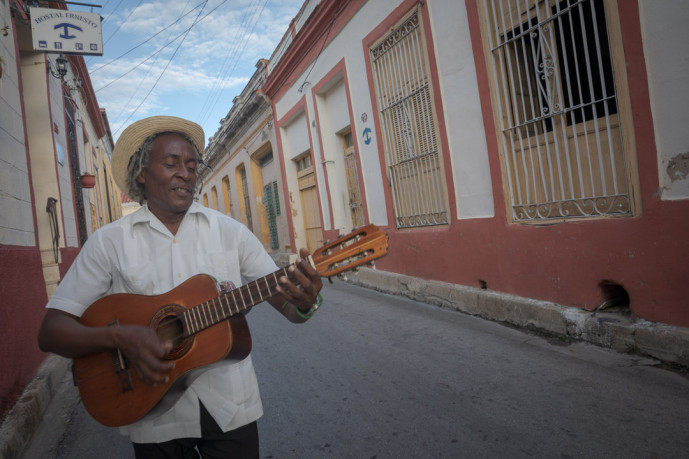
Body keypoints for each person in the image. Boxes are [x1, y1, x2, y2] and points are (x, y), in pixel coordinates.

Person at [38, 115, 323, 458]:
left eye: (191, 165)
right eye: (171, 163)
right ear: (142, 174)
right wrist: (118, 337)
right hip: (151, 413)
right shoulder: (108, 244)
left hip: (231, 408)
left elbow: (291, 309)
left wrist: (307, 302)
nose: (185, 173)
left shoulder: (229, 232)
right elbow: (52, 331)